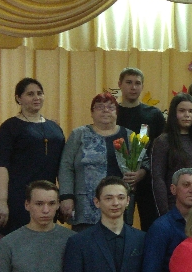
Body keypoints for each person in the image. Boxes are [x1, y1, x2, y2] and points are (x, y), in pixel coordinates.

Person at [58, 92, 148, 231]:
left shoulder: (129, 135)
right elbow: (66, 166)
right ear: (92, 113)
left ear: (117, 112)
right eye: (100, 107)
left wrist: (140, 174)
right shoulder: (79, 134)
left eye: (110, 107)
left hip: (119, 207)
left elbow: (145, 163)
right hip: (85, 207)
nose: (105, 110)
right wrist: (66, 196)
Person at [0, 77, 65, 235]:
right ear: (18, 98)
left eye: (40, 93)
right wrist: (2, 202)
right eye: (30, 94)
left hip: (47, 200)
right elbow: (1, 165)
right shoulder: (9, 127)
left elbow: (63, 167)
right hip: (19, 198)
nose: (36, 97)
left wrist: (64, 197)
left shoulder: (54, 128)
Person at [116, 67, 166, 231]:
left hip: (147, 180)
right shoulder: (112, 113)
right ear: (120, 84)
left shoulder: (153, 114)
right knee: (119, 225)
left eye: (137, 83)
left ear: (142, 86)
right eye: (129, 82)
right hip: (118, 179)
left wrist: (144, 171)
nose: (133, 87)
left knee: (151, 225)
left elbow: (160, 150)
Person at [151, 93, 192, 216]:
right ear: (173, 113)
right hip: (174, 208)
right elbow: (158, 179)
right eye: (182, 111)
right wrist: (165, 213)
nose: (187, 115)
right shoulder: (163, 141)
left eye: (191, 111)